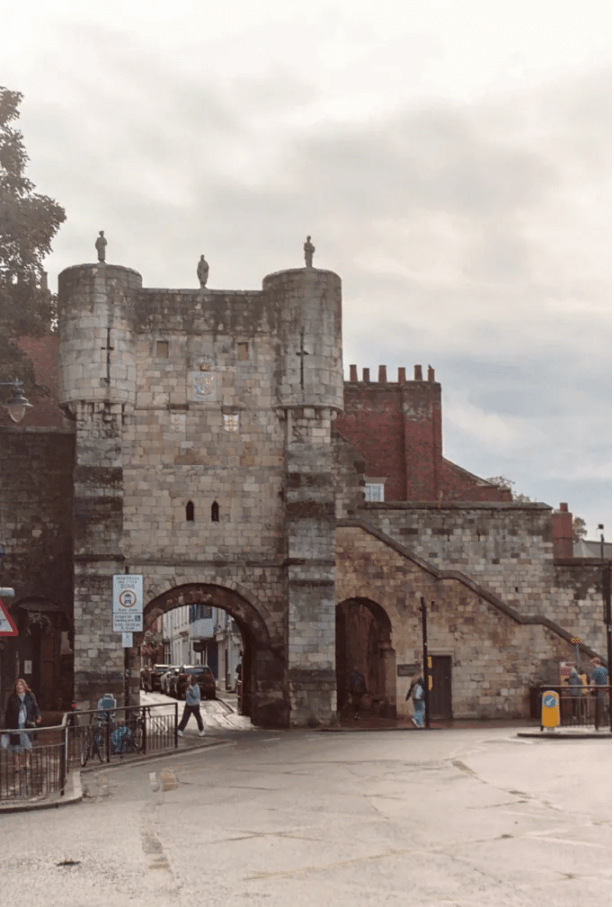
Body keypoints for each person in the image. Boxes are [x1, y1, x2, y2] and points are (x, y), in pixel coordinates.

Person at [4, 678, 42, 772]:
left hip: (27, 724)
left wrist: (38, 716)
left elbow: (35, 707)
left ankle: (26, 763)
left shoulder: (30, 696)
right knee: (16, 745)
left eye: (21, 685)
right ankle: (17, 765)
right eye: (17, 685)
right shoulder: (12, 697)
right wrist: (6, 726)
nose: (19, 687)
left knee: (27, 744)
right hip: (15, 724)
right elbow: (8, 712)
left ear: (24, 686)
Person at [591, 657, 609, 730]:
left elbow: (593, 681)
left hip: (598, 690)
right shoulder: (605, 669)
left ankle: (598, 724)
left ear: (595, 663)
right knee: (603, 706)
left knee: (599, 707)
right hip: (606, 690)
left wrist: (591, 689)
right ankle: (606, 722)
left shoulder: (595, 670)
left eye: (592, 663)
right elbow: (608, 679)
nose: (592, 664)